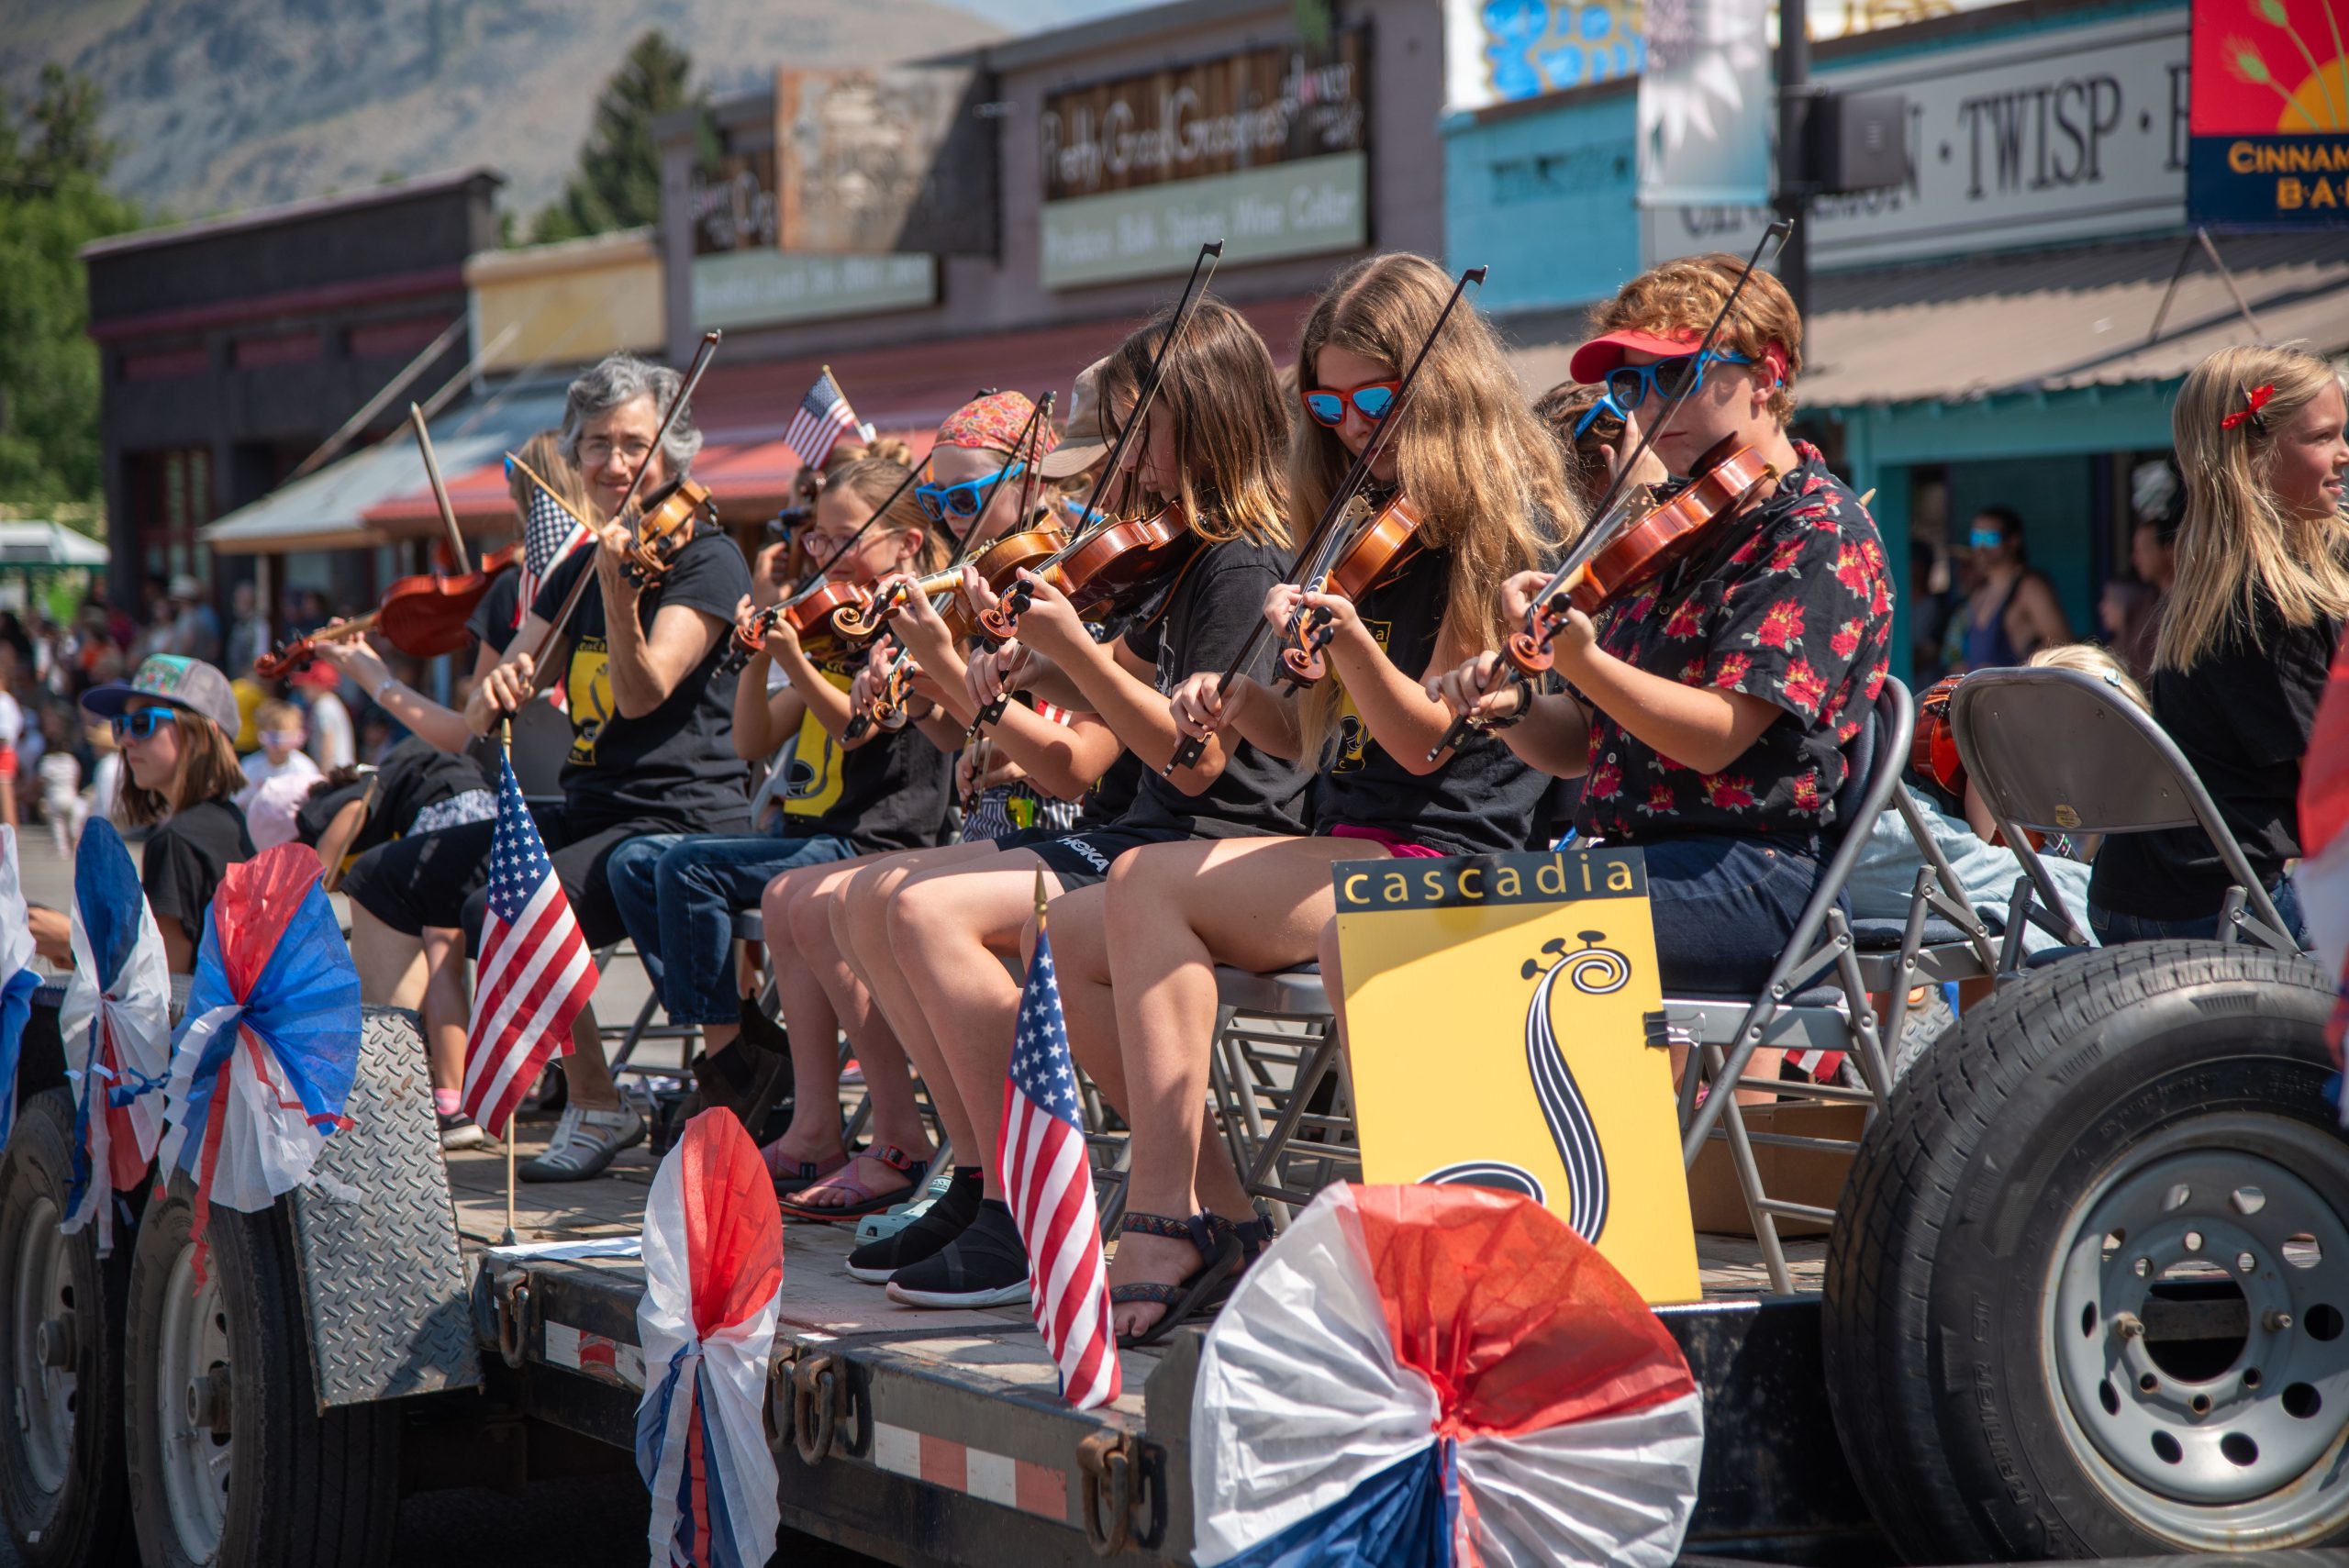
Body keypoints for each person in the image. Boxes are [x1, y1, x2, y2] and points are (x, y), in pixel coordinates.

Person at [1077, 251, 1576, 1341]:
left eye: (1373, 399)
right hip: (1346, 837)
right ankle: (1221, 1206)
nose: (1351, 425)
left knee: (1140, 883)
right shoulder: (1357, 524)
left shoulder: (1500, 529)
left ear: (1434, 387)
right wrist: (1233, 696)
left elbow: (1423, 743)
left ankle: (1168, 1214)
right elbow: (1302, 735)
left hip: (1449, 850)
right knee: (1074, 928)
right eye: (1327, 401)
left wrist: (1345, 641)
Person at [850, 294, 1309, 1307]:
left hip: (1216, 844)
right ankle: (995, 1179)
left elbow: (1188, 761)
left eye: (1141, 433)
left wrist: (1068, 654)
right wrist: (957, 673)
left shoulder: (1240, 564)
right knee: (869, 899)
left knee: (924, 910)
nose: (1126, 462)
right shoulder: (1173, 566)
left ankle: (1020, 1202)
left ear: (1203, 419)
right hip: (1142, 837)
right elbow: (1076, 760)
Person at [1431, 249, 1896, 1137]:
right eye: (1633, 385)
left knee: (1455, 932)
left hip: (1753, 874)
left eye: (1678, 375)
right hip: (1642, 859)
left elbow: (1720, 736)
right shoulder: (1675, 526)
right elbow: (1581, 746)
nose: (1648, 407)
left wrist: (1581, 660)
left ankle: (1537, 1208)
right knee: (1404, 925)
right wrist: (1515, 708)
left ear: (1767, 374)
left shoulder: (1817, 530)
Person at [345, 352, 752, 1177]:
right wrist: (503, 682)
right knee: (384, 878)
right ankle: (391, 1098)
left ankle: (597, 1102)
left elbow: (643, 694)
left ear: (672, 451)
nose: (612, 463)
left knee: (508, 902)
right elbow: (479, 711)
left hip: (679, 818)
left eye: (632, 443)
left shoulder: (707, 559)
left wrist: (620, 590)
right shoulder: (574, 562)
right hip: (594, 803)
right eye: (596, 443)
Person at [603, 441, 956, 1167]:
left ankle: (733, 1070)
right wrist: (762, 644)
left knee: (688, 868)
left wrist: (795, 656)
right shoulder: (841, 626)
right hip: (816, 836)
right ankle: (748, 1052)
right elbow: (750, 739)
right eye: (818, 535)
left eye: (842, 536)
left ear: (906, 543)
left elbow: (856, 730)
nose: (822, 551)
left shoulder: (916, 624)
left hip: (880, 841)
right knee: (635, 863)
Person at [314, 430, 588, 1151]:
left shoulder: (525, 588)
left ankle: (394, 1100)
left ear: (524, 496)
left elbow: (465, 730)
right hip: (582, 807)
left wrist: (377, 680)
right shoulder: (551, 580)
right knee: (412, 891)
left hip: (546, 814)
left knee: (394, 884)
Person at [2087, 345, 2349, 945]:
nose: (2344, 454)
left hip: (2126, 897)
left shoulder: (2205, 591)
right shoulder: (2278, 603)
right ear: (2253, 454)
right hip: (2227, 908)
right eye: (2323, 437)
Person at [76, 655, 255, 972]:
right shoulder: (231, 822)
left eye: (143, 723)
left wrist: (70, 948)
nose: (126, 740)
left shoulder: (176, 841)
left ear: (201, 733)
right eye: (120, 725)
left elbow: (164, 991)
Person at [1958, 506, 2068, 669]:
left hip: (2020, 691)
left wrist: (2014, 673)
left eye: (1990, 538)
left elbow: (2062, 643)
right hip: (1984, 692)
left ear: (2013, 541)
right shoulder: (1979, 591)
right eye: (1976, 537)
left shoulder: (2029, 587)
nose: (1981, 546)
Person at [235, 698, 321, 806]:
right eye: (273, 739)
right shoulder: (250, 767)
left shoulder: (305, 769)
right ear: (261, 736)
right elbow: (239, 801)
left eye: (288, 739)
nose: (280, 746)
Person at [295, 661, 357, 769]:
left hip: (334, 770)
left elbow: (328, 740)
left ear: (319, 685)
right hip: (344, 768)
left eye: (306, 685)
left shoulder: (323, 706)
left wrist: (324, 771)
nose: (302, 690)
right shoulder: (332, 702)